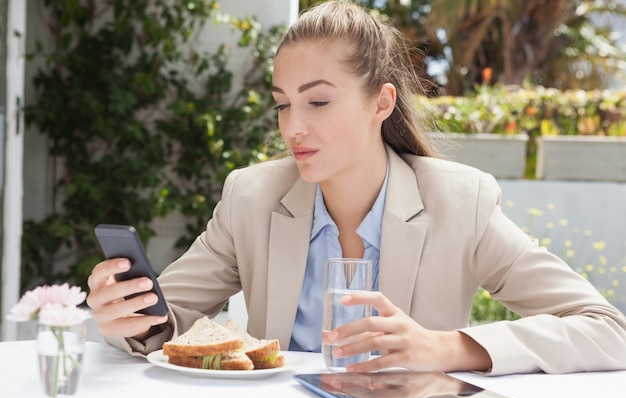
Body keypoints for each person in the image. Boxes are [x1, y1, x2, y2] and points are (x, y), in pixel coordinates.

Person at [86, 0, 626, 375]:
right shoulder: (250, 198)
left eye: (317, 101)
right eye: (283, 104)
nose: (293, 126)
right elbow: (165, 322)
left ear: (381, 103)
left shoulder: (461, 203)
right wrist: (124, 317)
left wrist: (445, 347)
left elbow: (606, 329)